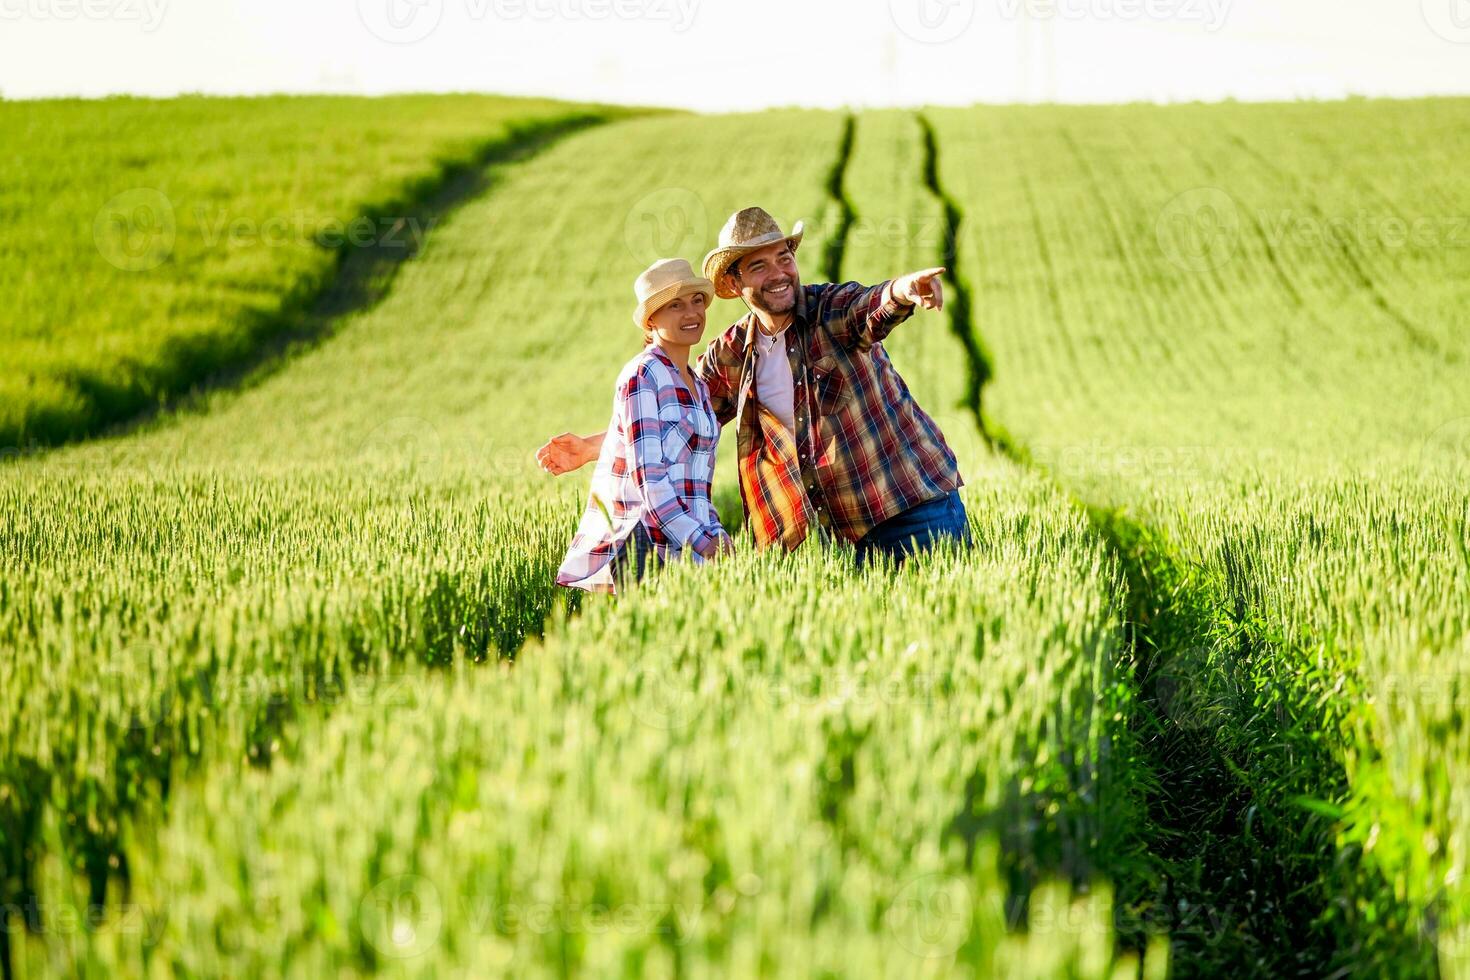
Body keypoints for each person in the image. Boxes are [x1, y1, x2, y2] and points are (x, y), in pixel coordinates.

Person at [539, 206, 970, 566]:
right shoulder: (730, 354)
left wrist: (905, 290)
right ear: (733, 283)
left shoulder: (830, 311)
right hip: (836, 537)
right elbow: (675, 416)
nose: (779, 273)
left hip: (914, 511)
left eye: (784, 257)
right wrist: (594, 446)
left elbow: (869, 306)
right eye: (759, 265)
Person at [554, 258, 735, 594]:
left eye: (697, 301)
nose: (692, 313)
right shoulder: (643, 376)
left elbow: (696, 483)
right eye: (675, 306)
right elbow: (649, 479)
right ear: (651, 321)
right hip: (643, 545)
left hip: (685, 545)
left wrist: (715, 532)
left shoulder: (698, 385)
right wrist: (702, 541)